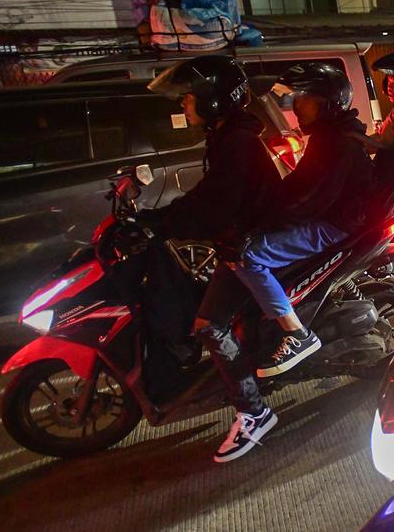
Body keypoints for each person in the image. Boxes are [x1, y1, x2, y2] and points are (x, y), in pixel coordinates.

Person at [145, 55, 282, 462]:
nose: (183, 105)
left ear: (215, 101)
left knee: (208, 323)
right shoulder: (226, 137)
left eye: (189, 98)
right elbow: (209, 194)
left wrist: (164, 224)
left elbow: (217, 205)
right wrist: (160, 217)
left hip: (252, 245)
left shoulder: (237, 140)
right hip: (240, 239)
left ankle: (254, 413)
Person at [233, 62, 380, 379]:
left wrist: (268, 221)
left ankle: (296, 333)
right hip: (327, 217)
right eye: (296, 97)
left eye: (305, 97)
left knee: (248, 257)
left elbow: (316, 200)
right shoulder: (327, 137)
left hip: (335, 226)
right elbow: (298, 184)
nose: (297, 105)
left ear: (329, 102)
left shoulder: (341, 143)